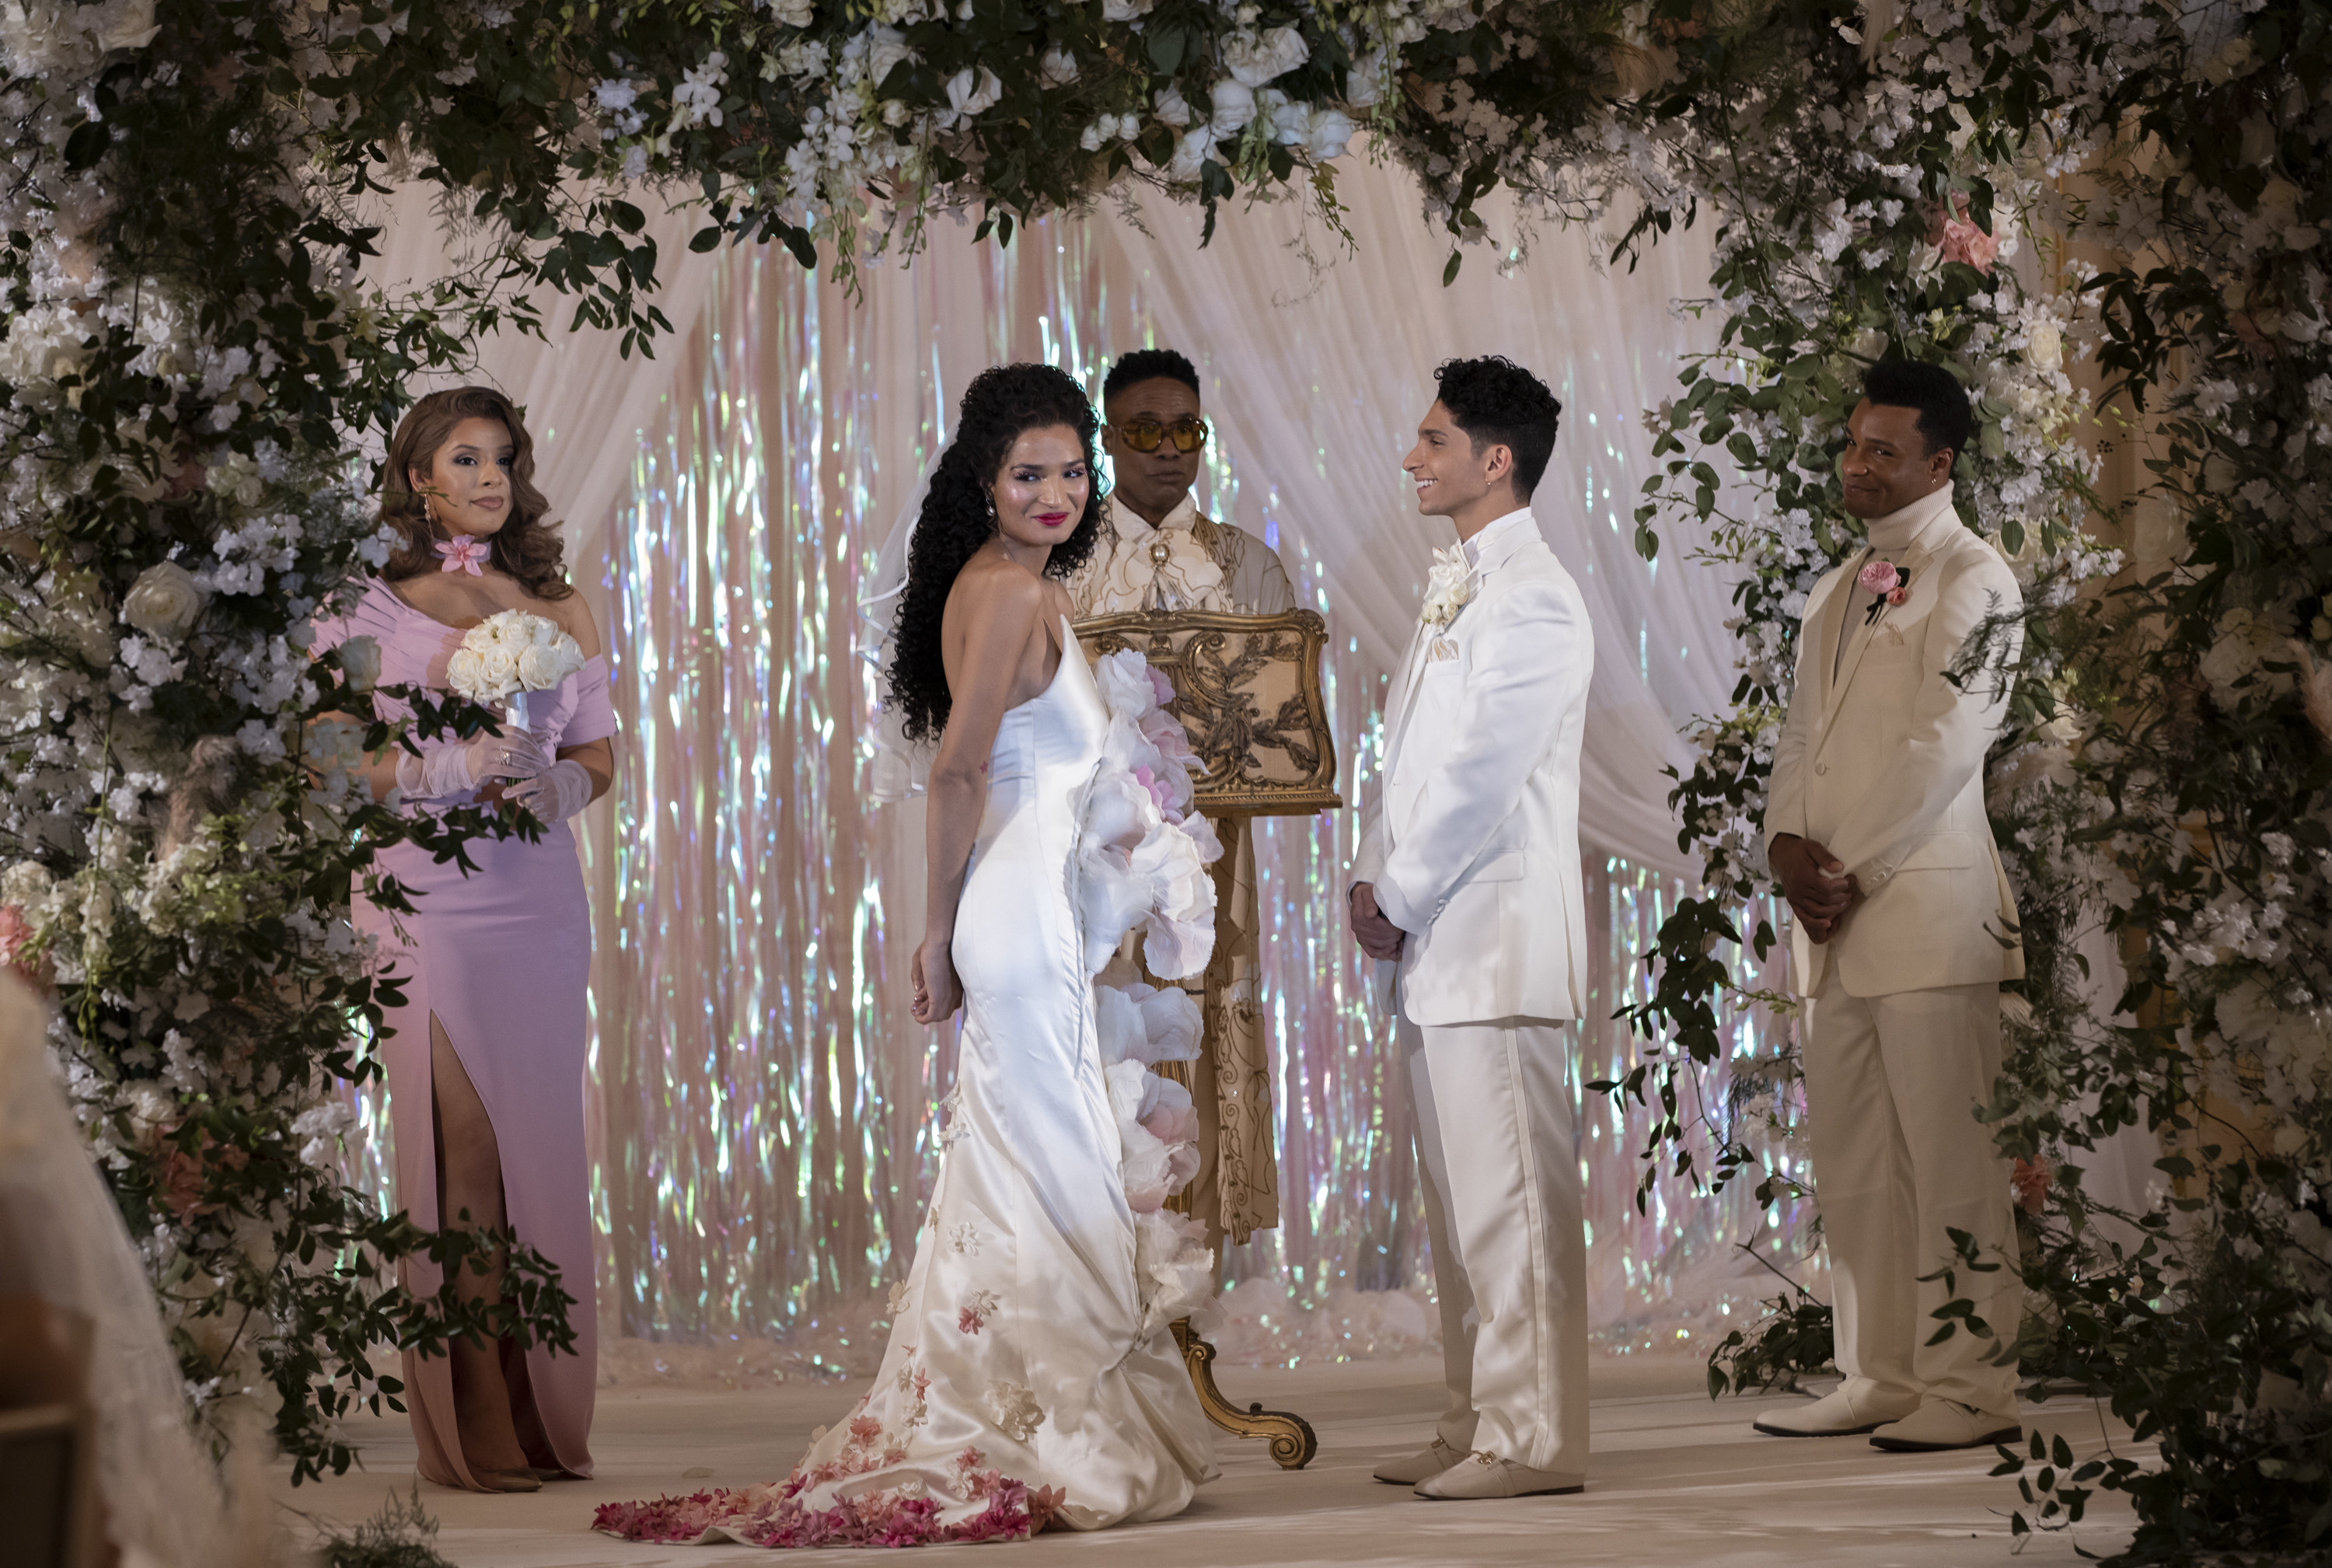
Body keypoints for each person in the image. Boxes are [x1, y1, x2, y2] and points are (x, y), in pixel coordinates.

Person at [596, 364, 1217, 1549]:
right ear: (983, 484)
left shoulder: (1024, 586)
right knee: (1053, 1159)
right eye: (1028, 473)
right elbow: (960, 770)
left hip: (1041, 901)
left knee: (1043, 1157)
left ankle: (1036, 1400)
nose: (1056, 492)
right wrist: (934, 932)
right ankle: (1041, 1421)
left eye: (1071, 470)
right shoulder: (1001, 593)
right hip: (1019, 910)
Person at [312, 386, 616, 1493]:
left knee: (532, 1152)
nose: (490, 476)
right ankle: (469, 1408)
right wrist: (443, 770)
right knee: (461, 1157)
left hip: (537, 897)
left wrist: (556, 788)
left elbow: (601, 761)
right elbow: (330, 758)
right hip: (421, 896)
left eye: (504, 457)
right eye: (464, 458)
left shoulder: (561, 604)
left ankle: (532, 1408)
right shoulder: (365, 607)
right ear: (418, 479)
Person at [1755, 358, 2027, 1452]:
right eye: (1853, 444)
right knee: (1859, 1162)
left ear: (1939, 463)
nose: (1856, 464)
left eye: (1883, 450)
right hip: (1831, 921)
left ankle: (1973, 1384)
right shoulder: (1838, 584)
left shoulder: (1980, 580)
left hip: (1925, 916)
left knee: (1952, 1164)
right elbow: (1797, 739)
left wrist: (1840, 869)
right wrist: (1783, 845)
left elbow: (1945, 750)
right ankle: (1879, 1369)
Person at [1349, 356, 1594, 1500]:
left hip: (1491, 946)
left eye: (1434, 439)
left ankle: (1534, 1436)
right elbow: (1408, 768)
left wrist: (1395, 896)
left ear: (1497, 462)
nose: (1414, 457)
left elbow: (1481, 780)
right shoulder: (1456, 583)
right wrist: (1370, 878)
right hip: (1438, 952)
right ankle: (1474, 1416)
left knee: (1513, 1217)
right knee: (1460, 1220)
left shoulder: (1536, 596)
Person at [1067, 347, 1295, 1255]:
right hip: (1097, 860)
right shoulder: (1068, 561)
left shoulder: (1249, 565)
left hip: (1212, 858)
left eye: (1184, 430)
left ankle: (1187, 1269)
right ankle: (1098, 1270)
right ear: (1110, 439)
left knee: (1204, 1027)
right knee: (1106, 1040)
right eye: (1143, 431)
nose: (1168, 450)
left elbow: (1287, 728)